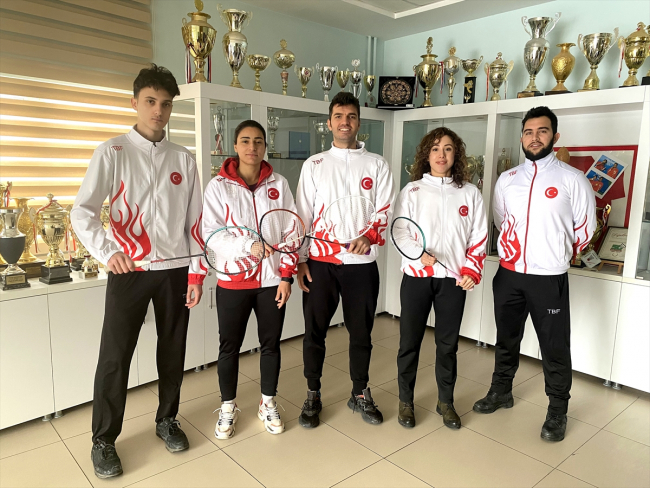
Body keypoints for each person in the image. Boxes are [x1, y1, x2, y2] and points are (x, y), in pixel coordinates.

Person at [70, 64, 206, 479]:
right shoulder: (112, 152)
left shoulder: (184, 158)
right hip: (129, 269)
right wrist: (108, 251)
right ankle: (103, 439)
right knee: (115, 355)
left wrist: (197, 273)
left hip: (175, 270)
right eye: (150, 102)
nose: (158, 111)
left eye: (165, 104)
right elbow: (82, 211)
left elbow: (196, 221)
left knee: (173, 349)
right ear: (135, 103)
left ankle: (167, 419)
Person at [473, 106, 596, 442]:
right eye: (528, 132)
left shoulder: (573, 179)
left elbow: (585, 229)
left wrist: (555, 254)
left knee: (554, 346)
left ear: (555, 136)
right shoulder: (507, 179)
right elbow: (501, 221)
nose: (534, 137)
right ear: (522, 137)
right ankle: (501, 391)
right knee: (506, 338)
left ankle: (557, 409)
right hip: (509, 274)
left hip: (549, 278)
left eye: (542, 131)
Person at [295, 91, 395, 428]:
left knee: (361, 334)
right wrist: (301, 259)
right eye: (338, 116)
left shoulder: (377, 164)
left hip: (361, 266)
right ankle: (313, 393)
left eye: (351, 116)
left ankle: (360, 393)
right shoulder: (314, 165)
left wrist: (370, 235)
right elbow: (302, 216)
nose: (345, 122)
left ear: (358, 122)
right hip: (320, 264)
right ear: (329, 123)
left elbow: (386, 208)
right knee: (314, 333)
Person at [202, 120, 298, 440]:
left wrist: (286, 276)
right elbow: (211, 234)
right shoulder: (218, 186)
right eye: (245, 141)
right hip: (233, 282)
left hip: (271, 282)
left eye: (258, 141)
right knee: (229, 347)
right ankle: (228, 406)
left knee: (271, 345)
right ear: (234, 146)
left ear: (265, 147)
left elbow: (291, 231)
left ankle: (267, 402)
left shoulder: (279, 184)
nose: (252, 147)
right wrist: (248, 247)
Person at [393, 127, 487, 430]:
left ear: (456, 154)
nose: (441, 154)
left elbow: (479, 236)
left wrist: (471, 270)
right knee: (409, 342)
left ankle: (445, 401)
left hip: (453, 281)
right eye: (435, 148)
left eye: (447, 148)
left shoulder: (470, 193)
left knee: (447, 346)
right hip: (417, 277)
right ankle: (405, 401)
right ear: (426, 155)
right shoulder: (412, 191)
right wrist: (418, 254)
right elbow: (399, 231)